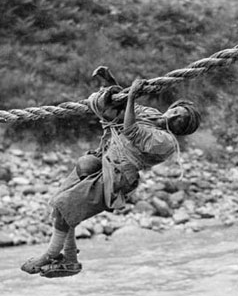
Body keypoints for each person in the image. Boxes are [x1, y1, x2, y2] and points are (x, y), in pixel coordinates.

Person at [21, 75, 201, 278]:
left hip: (117, 177)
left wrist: (132, 95)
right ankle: (69, 258)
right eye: (176, 111)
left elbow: (130, 129)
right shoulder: (151, 114)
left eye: (180, 120)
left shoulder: (165, 141)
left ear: (182, 130)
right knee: (59, 205)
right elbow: (122, 111)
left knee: (64, 206)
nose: (174, 116)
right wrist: (111, 82)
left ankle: (51, 254)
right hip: (104, 159)